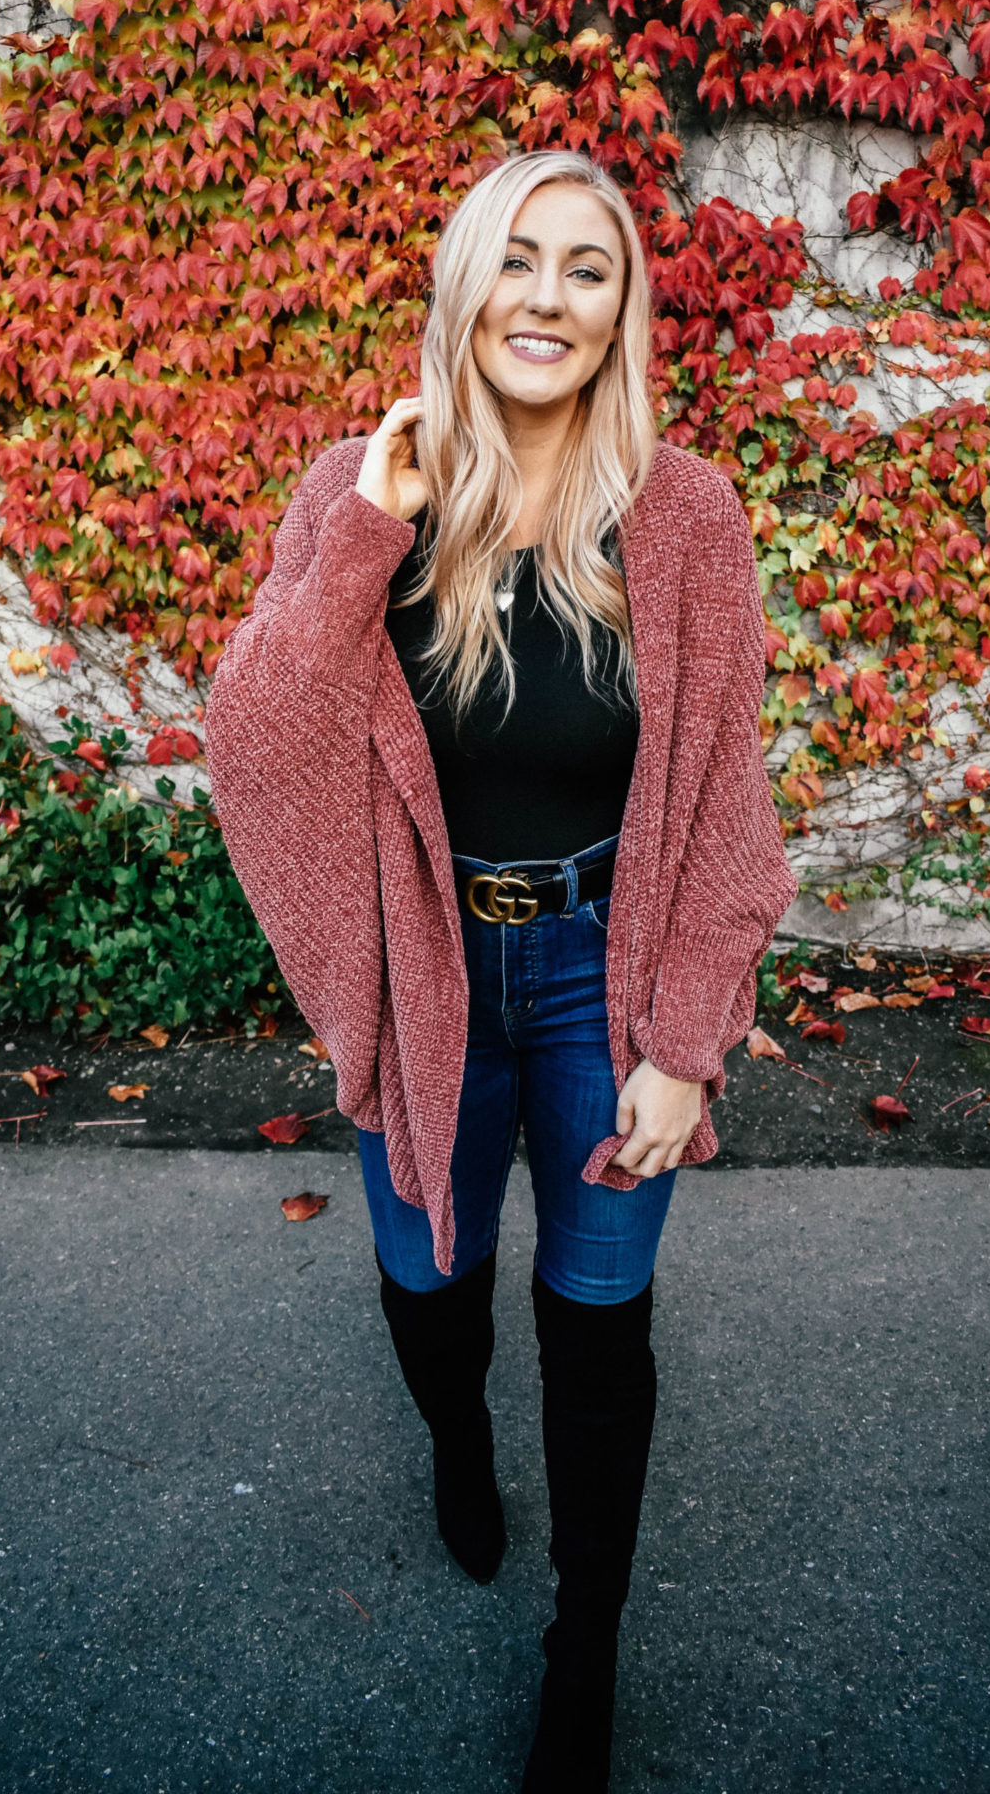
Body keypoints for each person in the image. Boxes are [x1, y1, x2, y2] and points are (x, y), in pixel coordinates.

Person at [204, 149, 796, 1791]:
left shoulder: (687, 518)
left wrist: (689, 1037)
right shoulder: (360, 483)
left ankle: (585, 1644)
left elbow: (730, 795)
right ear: (467, 286)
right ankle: (460, 1440)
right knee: (430, 1285)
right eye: (517, 261)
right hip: (428, 971)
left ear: (625, 311)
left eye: (586, 269)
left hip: (609, 963)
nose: (548, 296)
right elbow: (250, 740)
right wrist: (363, 545)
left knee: (600, 1319)